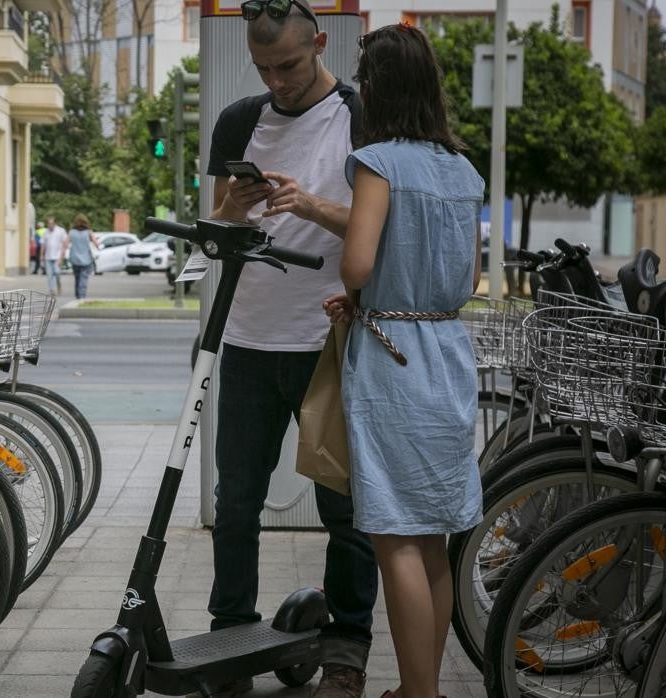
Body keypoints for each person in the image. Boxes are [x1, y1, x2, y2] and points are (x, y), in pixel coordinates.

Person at [204, 2, 378, 696]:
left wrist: (308, 205)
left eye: (290, 66)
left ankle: (347, 649)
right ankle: (229, 639)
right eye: (264, 68)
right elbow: (217, 224)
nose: (277, 81)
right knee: (236, 500)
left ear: (320, 44)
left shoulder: (361, 116)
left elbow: (376, 222)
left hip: (328, 339)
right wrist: (232, 211)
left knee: (345, 508)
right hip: (248, 335)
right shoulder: (241, 119)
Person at [322, 23, 484, 698]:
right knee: (436, 536)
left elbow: (358, 260)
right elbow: (468, 280)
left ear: (379, 88)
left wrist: (362, 296)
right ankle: (425, 689)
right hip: (446, 349)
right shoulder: (462, 168)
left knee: (395, 539)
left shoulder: (378, 162)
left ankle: (417, 694)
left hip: (391, 359)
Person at [63, 214, 98, 300]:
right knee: (83, 278)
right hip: (86, 260)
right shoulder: (89, 232)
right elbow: (96, 243)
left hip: (75, 259)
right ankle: (81, 297)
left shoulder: (71, 232)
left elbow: (66, 245)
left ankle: (78, 296)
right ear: (86, 222)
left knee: (77, 278)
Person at [42, 216, 67, 296]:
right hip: (48, 257)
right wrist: (41, 256)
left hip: (57, 257)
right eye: (48, 223)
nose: (50, 225)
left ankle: (59, 285)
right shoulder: (46, 232)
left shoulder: (61, 231)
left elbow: (64, 245)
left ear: (55, 223)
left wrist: (62, 258)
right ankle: (52, 290)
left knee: (57, 273)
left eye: (51, 223)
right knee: (49, 275)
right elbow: (43, 244)